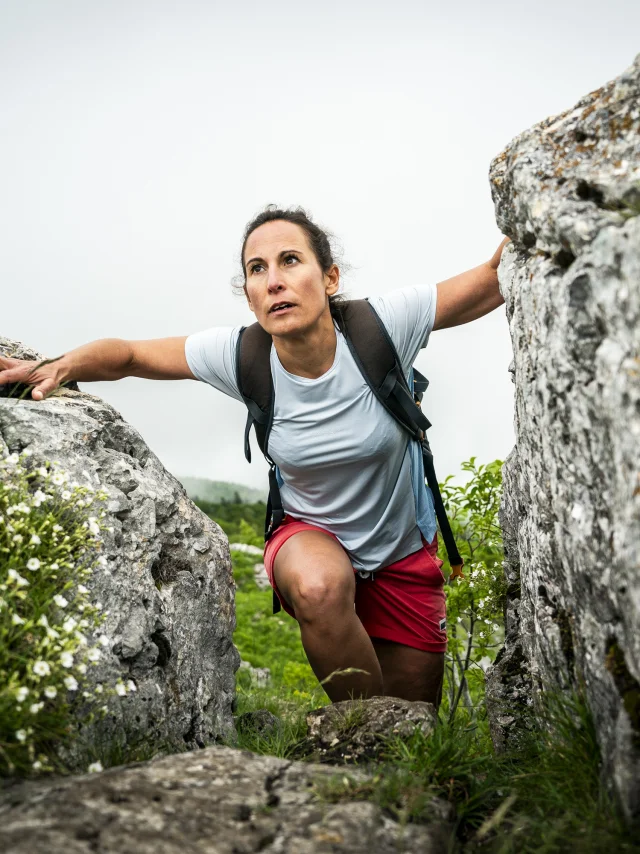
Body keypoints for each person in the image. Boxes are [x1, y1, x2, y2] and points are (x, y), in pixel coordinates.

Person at [0, 207, 509, 706]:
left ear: (329, 278)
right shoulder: (243, 356)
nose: (274, 281)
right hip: (311, 541)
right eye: (256, 269)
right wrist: (59, 365)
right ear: (249, 296)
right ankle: (361, 736)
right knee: (322, 594)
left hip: (401, 554)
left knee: (417, 726)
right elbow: (131, 355)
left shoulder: (382, 326)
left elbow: (491, 281)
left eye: (290, 260)